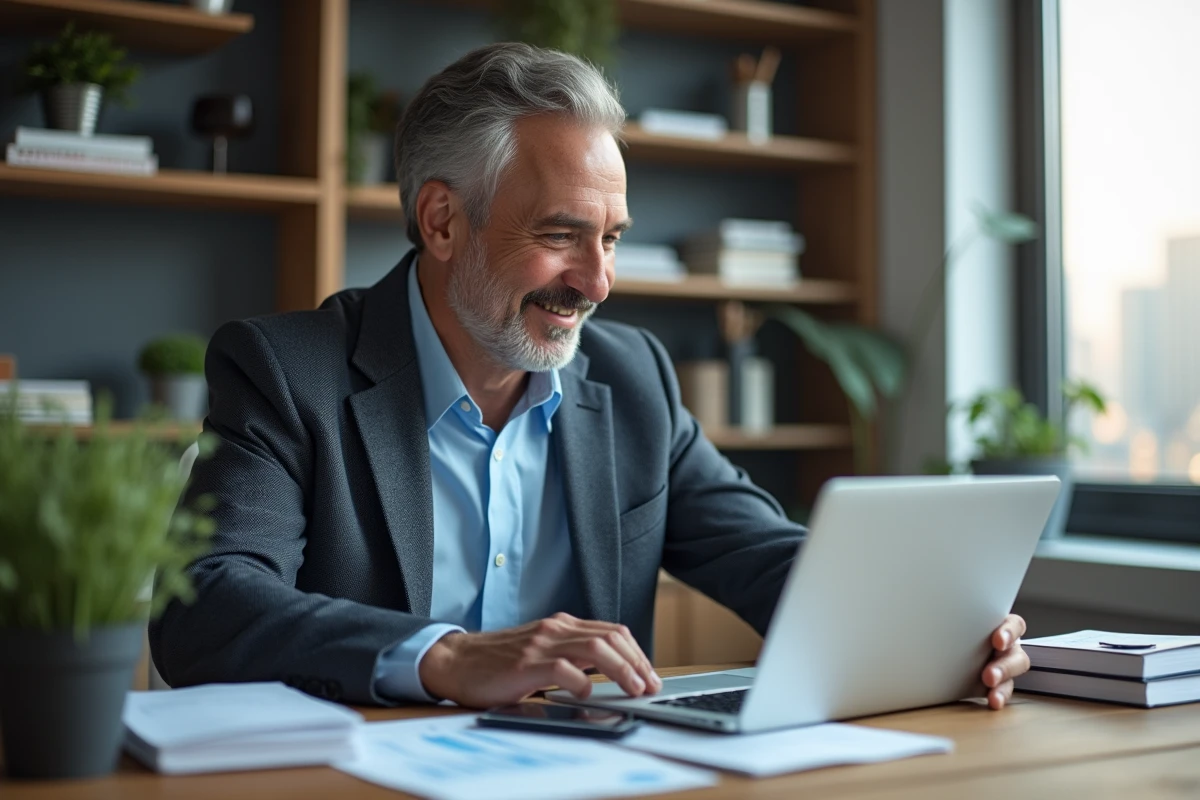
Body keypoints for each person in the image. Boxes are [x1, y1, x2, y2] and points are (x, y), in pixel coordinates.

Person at [150, 42, 1030, 710]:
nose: (598, 282)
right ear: (443, 219)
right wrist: (447, 655)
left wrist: (935, 625)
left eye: (610, 238)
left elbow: (762, 553)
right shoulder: (286, 370)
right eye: (561, 235)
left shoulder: (633, 376)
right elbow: (208, 608)